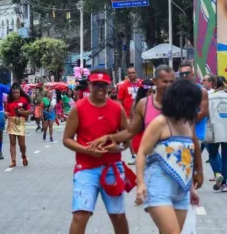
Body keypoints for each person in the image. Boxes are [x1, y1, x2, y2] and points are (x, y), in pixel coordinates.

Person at [62, 69, 129, 234]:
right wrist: (87, 150)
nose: (100, 88)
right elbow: (67, 139)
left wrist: (117, 147)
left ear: (109, 86)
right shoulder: (78, 108)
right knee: (80, 215)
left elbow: (126, 139)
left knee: (118, 216)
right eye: (96, 84)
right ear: (89, 85)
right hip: (86, 168)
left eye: (104, 85)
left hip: (112, 167)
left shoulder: (117, 109)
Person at [135, 79, 203, 233]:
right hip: (158, 186)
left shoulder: (188, 123)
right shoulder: (160, 122)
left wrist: (191, 188)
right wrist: (140, 183)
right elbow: (142, 152)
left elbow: (186, 159)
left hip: (182, 189)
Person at [178, 62, 209, 154]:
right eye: (181, 74)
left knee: (191, 165)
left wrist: (186, 124)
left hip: (195, 134)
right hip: (178, 135)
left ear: (192, 74)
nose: (184, 76)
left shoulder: (201, 91)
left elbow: (203, 112)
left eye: (186, 73)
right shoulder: (176, 90)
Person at [117, 66, 142, 164]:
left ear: (136, 73)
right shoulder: (123, 86)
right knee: (129, 135)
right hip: (127, 115)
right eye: (129, 73)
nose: (131, 75)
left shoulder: (142, 84)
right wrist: (122, 112)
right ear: (127, 75)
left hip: (141, 114)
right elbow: (120, 100)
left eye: (133, 72)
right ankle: (134, 155)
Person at [6, 84, 31, 167]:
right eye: (14, 93)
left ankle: (23, 155)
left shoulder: (24, 100)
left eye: (17, 93)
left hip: (20, 121)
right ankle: (13, 160)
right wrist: (5, 114)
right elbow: (6, 110)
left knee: (22, 144)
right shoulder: (9, 100)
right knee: (12, 143)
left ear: (20, 92)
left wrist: (21, 112)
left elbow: (29, 111)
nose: (15, 95)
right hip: (11, 121)